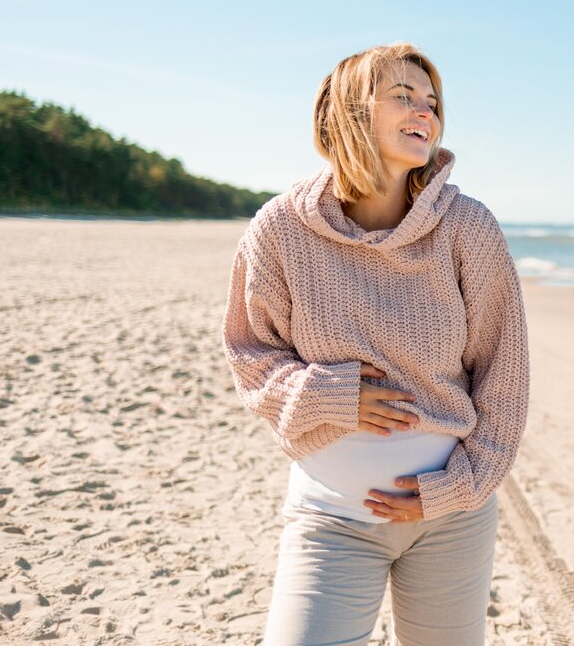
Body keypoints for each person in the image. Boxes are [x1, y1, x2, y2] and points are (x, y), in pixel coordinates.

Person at [221, 41, 530, 645]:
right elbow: (250, 353)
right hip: (330, 516)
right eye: (404, 96)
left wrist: (458, 486)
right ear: (349, 111)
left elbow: (504, 374)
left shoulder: (467, 227)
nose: (425, 112)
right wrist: (330, 394)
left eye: (433, 101)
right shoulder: (281, 227)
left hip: (451, 519)